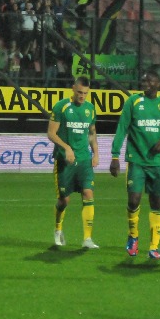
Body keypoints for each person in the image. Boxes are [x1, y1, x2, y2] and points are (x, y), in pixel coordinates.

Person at [110, 71, 160, 259]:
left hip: (157, 163)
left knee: (156, 203)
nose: (145, 83)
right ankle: (133, 237)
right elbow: (121, 129)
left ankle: (154, 247)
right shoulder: (133, 102)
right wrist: (115, 156)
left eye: (150, 80)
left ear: (159, 83)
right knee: (133, 200)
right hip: (136, 161)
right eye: (144, 80)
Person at [48, 75, 100, 249]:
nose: (82, 96)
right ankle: (58, 229)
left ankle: (87, 239)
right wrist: (67, 148)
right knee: (64, 200)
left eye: (85, 93)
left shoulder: (91, 109)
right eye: (79, 92)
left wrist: (96, 153)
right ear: (73, 89)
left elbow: (92, 133)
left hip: (84, 159)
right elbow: (51, 134)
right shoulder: (61, 107)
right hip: (65, 161)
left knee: (88, 193)